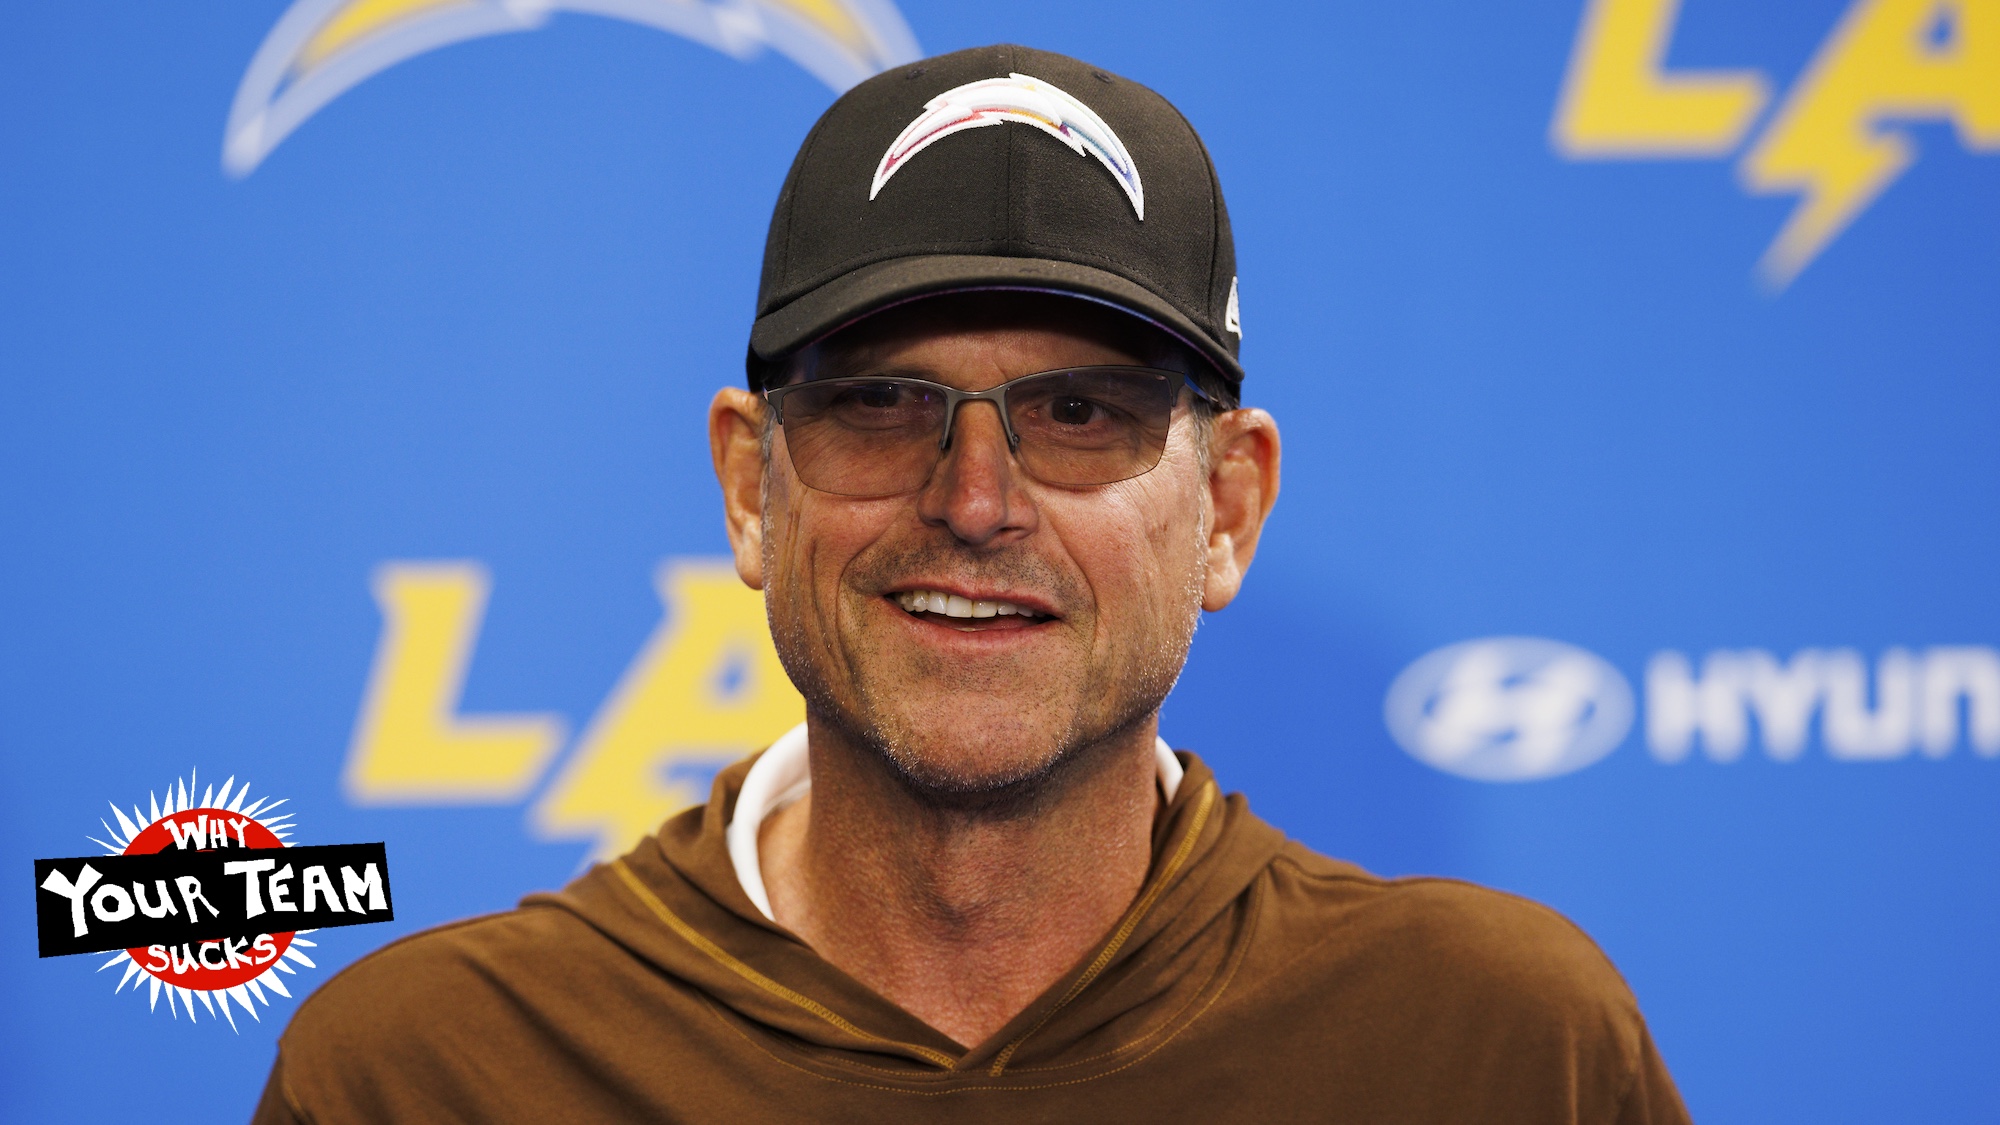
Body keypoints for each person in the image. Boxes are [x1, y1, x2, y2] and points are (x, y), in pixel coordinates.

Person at [252, 44, 1690, 1123]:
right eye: (880, 404)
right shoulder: (429, 1071)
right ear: (754, 485)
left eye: (1082, 416)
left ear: (1228, 508)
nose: (976, 501)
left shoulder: (1497, 1047)